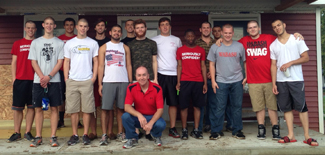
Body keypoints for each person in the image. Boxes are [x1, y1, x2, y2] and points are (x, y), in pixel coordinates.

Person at [270, 19, 318, 146]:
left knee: (302, 107)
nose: (277, 28)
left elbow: (306, 58)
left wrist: (290, 63)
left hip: (296, 79)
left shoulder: (297, 39)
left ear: (284, 25)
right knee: (286, 108)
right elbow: (273, 65)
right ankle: (291, 135)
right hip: (281, 80)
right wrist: (274, 83)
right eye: (274, 27)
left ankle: (307, 136)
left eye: (279, 25)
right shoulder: (273, 45)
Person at [28, 16, 64, 147]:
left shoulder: (59, 43)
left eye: (51, 24)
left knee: (54, 108)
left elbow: (60, 62)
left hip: (54, 81)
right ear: (43, 25)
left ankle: (53, 136)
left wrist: (49, 76)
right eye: (47, 24)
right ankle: (38, 136)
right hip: (38, 82)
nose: (49, 26)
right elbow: (33, 61)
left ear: (55, 26)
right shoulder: (35, 43)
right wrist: (42, 77)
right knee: (39, 109)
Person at [208, 24, 246, 140]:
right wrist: (213, 81)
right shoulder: (215, 47)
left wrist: (246, 77)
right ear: (221, 33)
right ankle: (216, 131)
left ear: (233, 33)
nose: (228, 35)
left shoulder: (239, 46)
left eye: (230, 33)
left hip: (237, 81)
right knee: (219, 107)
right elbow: (211, 64)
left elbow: (245, 62)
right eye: (225, 33)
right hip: (221, 81)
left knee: (237, 106)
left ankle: (237, 130)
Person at [64, 18, 99, 146]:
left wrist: (93, 77)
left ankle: (85, 134)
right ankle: (74, 135)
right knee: (73, 110)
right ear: (77, 27)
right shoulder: (69, 43)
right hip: (72, 80)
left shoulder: (93, 43)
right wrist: (66, 79)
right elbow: (66, 61)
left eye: (85, 26)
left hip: (87, 80)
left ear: (88, 28)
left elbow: (96, 61)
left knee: (87, 109)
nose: (83, 28)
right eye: (80, 26)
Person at [98, 24, 132, 145]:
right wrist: (100, 84)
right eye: (114, 31)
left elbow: (128, 65)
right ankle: (104, 135)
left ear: (121, 34)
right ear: (110, 33)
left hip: (123, 81)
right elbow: (100, 66)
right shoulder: (104, 47)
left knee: (121, 108)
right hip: (108, 81)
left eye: (118, 31)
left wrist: (130, 82)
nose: (116, 33)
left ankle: (120, 133)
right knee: (105, 109)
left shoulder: (125, 47)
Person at [151, 17, 182, 138]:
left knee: (173, 103)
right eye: (162, 25)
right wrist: (154, 77)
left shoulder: (177, 40)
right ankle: (154, 127)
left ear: (170, 26)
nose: (165, 26)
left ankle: (172, 128)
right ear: (159, 27)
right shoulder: (154, 40)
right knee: (156, 104)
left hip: (174, 75)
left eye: (167, 24)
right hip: (159, 75)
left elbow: (180, 59)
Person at [122, 66, 166, 149]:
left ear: (148, 76)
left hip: (152, 117)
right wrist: (139, 115)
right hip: (139, 118)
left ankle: (156, 136)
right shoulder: (131, 88)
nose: (141, 78)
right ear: (136, 77)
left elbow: (160, 110)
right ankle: (132, 138)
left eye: (144, 75)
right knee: (125, 116)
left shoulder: (157, 88)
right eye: (139, 75)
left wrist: (151, 123)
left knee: (161, 124)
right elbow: (127, 107)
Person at [8, 20, 36, 143]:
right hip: (20, 80)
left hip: (34, 80)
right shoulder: (17, 43)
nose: (30, 30)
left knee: (31, 107)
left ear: (35, 29)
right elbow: (13, 62)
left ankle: (27, 132)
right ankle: (17, 132)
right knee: (18, 108)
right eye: (28, 28)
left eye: (32, 28)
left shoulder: (38, 43)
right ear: (25, 28)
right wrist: (14, 78)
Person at [177, 29, 207, 140]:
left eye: (192, 36)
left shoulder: (201, 50)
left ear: (195, 37)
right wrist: (178, 82)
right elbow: (179, 66)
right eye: (188, 36)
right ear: (185, 37)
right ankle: (184, 130)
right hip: (184, 81)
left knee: (197, 106)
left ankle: (196, 130)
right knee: (184, 106)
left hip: (198, 81)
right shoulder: (180, 50)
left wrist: (205, 83)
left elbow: (203, 66)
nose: (190, 38)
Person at [91, 18, 115, 141]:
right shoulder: (91, 42)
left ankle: (110, 131)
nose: (100, 27)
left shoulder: (110, 42)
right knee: (93, 106)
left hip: (108, 76)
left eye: (102, 25)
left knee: (108, 106)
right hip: (93, 77)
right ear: (95, 28)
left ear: (105, 28)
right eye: (98, 25)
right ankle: (93, 132)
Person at [57, 18, 83, 129]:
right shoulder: (59, 39)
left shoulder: (78, 38)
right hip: (61, 71)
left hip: (76, 72)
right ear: (64, 26)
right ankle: (61, 120)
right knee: (62, 98)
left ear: (75, 26)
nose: (69, 27)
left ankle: (77, 121)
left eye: (71, 25)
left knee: (77, 97)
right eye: (67, 25)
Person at [127, 19, 158, 84]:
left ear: (146, 28)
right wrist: (129, 80)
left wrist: (155, 78)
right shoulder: (129, 45)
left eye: (142, 27)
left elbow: (154, 61)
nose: (140, 29)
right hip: (134, 78)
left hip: (150, 78)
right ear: (134, 30)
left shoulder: (152, 43)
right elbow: (128, 64)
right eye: (137, 28)